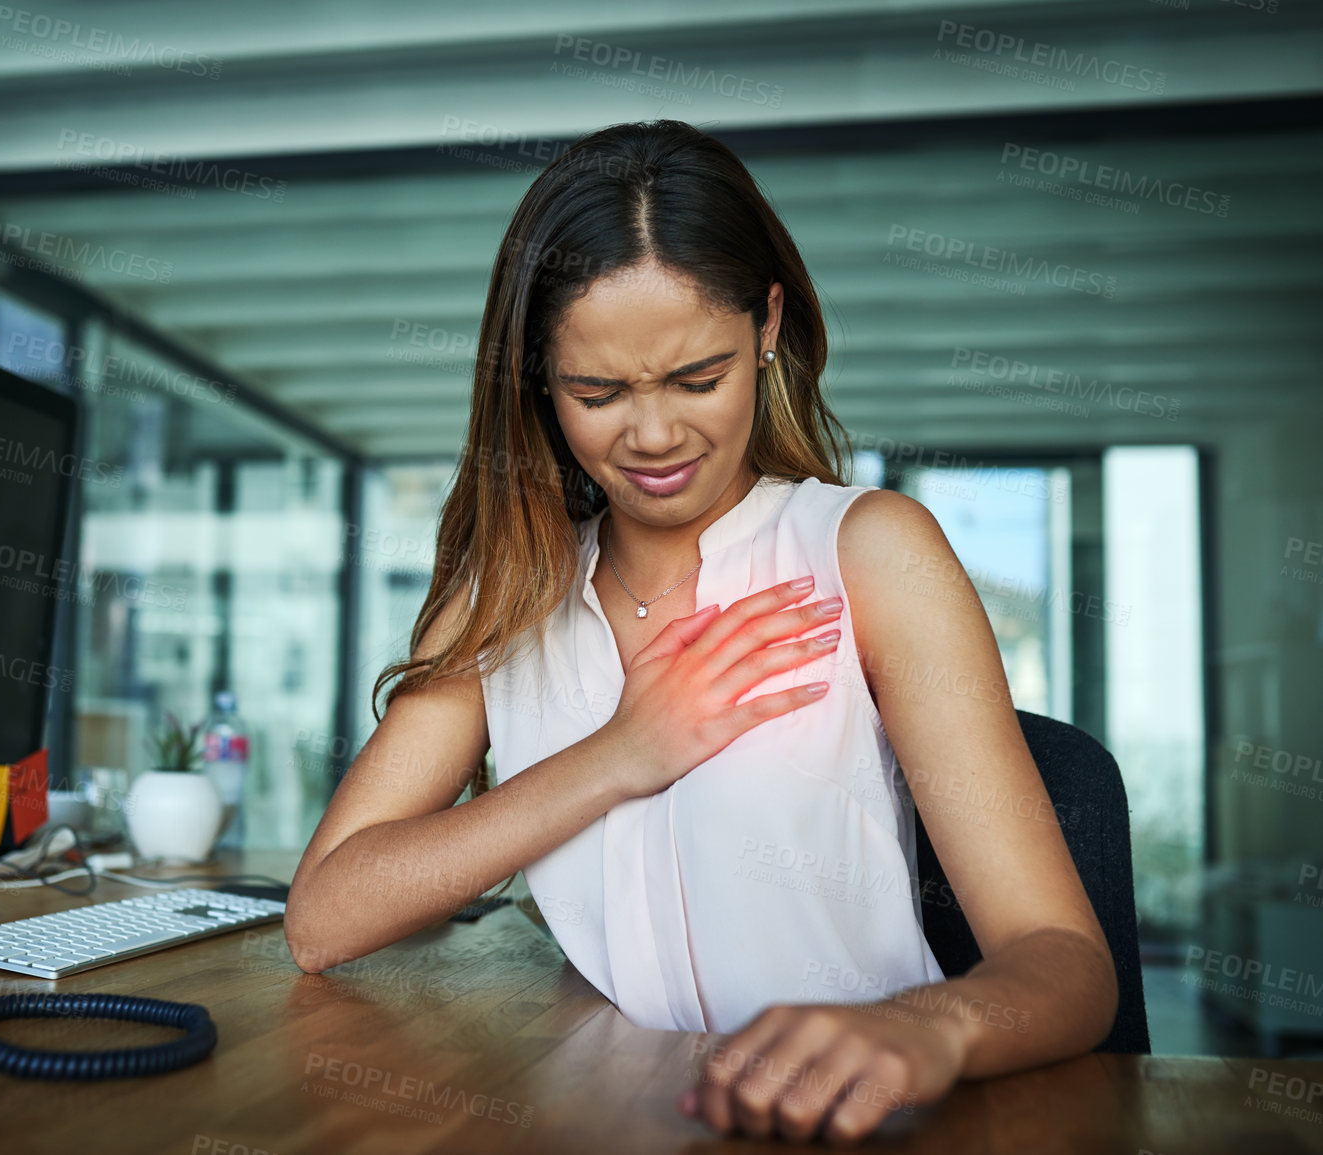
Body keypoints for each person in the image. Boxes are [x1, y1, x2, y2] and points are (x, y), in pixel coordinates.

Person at [284, 119, 1117, 1145]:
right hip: (627, 1114)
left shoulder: (869, 551)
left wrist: (927, 1029)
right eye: (597, 391)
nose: (654, 436)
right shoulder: (509, 593)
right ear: (537, 377)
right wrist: (623, 755)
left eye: (696, 379)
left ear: (768, 326)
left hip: (864, 1122)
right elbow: (323, 918)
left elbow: (1065, 961)